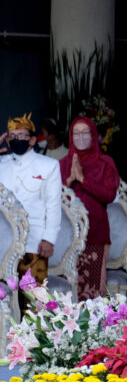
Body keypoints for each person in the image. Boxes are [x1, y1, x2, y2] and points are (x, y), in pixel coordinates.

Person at [0, 114, 61, 305]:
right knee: (5, 304)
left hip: (34, 243)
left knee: (34, 302)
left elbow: (53, 205)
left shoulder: (48, 165)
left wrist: (49, 239)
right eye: (12, 136)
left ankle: (33, 335)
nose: (16, 140)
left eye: (22, 135)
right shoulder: (1, 164)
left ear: (33, 140)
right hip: (3, 246)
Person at [59, 117, 121, 300]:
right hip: (66, 235)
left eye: (85, 132)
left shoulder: (104, 163)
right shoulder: (63, 163)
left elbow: (108, 195)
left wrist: (84, 180)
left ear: (93, 136)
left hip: (96, 232)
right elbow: (53, 196)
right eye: (76, 133)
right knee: (67, 290)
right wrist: (70, 180)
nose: (80, 137)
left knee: (93, 292)